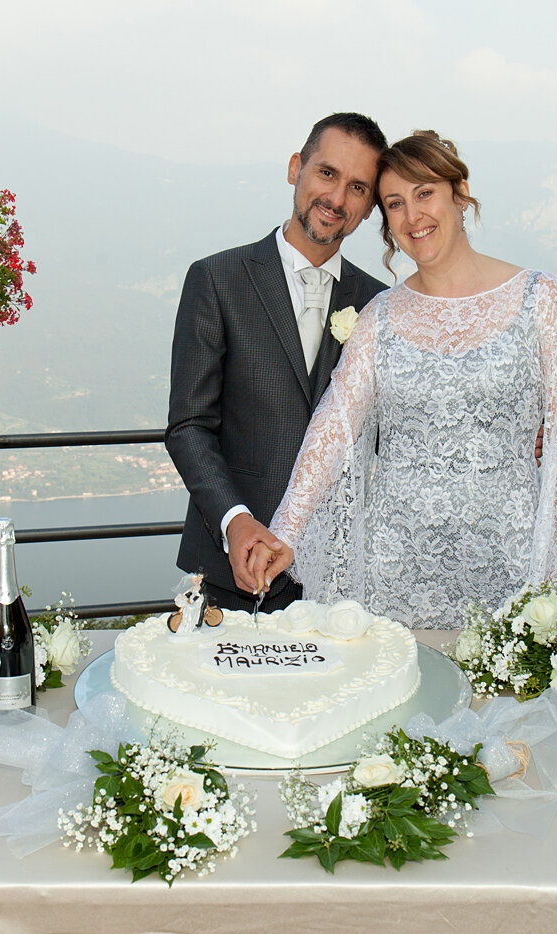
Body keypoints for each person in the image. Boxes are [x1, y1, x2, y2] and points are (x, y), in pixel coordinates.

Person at [252, 130, 557, 628]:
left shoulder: (541, 300)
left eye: (425, 193)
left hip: (511, 567)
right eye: (395, 204)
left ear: (460, 194)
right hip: (393, 571)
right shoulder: (379, 317)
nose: (413, 216)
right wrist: (286, 533)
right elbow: (333, 428)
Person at [165, 113, 389, 613]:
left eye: (357, 187)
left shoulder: (380, 304)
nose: (336, 199)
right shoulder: (217, 279)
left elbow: (395, 432)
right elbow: (188, 426)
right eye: (327, 173)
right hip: (232, 573)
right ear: (295, 168)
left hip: (341, 581)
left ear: (370, 206)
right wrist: (235, 520)